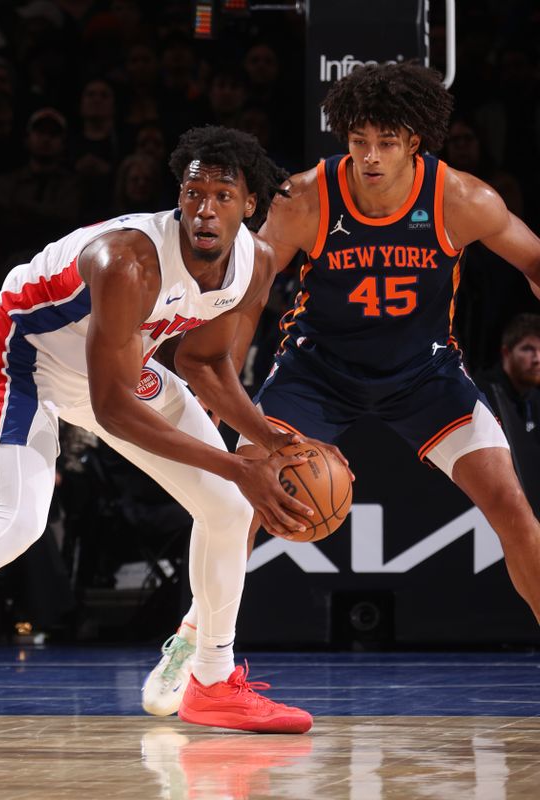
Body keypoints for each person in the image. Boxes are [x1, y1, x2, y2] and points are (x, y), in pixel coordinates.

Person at [0, 125, 330, 749]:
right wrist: (238, 464)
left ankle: (211, 681)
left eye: (223, 196)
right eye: (193, 192)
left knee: (230, 509)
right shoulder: (128, 258)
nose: (205, 209)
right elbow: (114, 408)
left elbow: (205, 365)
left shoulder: (254, 264)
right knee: (16, 525)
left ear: (251, 206)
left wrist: (278, 443)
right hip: (22, 358)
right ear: (178, 196)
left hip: (119, 363)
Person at [143, 62, 540, 718]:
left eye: (386, 141)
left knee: (512, 508)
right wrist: (231, 385)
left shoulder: (460, 199)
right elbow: (248, 294)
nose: (371, 156)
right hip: (316, 374)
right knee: (237, 501)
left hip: (426, 375)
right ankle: (194, 642)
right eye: (359, 141)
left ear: (416, 140)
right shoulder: (305, 199)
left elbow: (531, 260)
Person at [476, 313, 540, 514]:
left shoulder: (534, 397)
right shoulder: (482, 395)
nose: (537, 359)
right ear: (506, 352)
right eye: (528, 349)